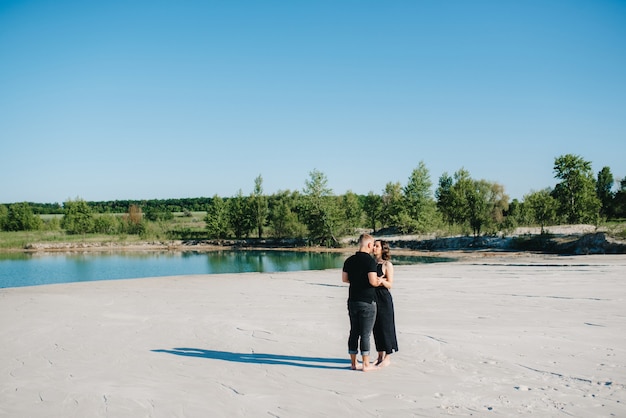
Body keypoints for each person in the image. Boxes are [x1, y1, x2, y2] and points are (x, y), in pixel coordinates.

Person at [342, 233, 380, 371]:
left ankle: (353, 363)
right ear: (369, 245)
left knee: (354, 331)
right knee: (365, 333)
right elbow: (372, 281)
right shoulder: (370, 261)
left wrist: (356, 280)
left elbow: (344, 279)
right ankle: (365, 364)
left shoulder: (349, 260)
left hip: (352, 299)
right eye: (372, 245)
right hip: (367, 300)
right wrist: (379, 281)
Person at [372, 239, 398, 367]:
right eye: (374, 246)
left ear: (383, 249)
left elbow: (390, 284)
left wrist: (381, 281)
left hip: (384, 298)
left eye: (377, 246)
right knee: (376, 327)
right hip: (372, 297)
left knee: (386, 326)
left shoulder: (387, 265)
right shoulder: (370, 263)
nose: (374, 248)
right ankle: (379, 356)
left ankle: (388, 356)